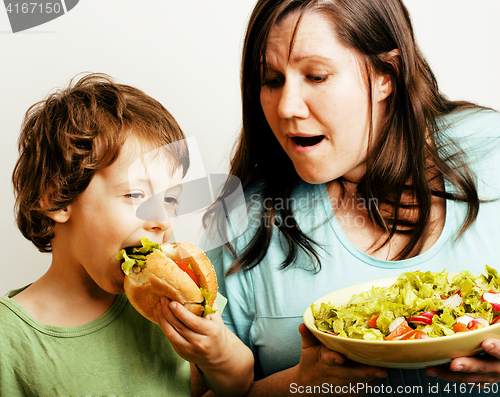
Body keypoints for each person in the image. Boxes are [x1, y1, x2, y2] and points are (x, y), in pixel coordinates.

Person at [204, 0, 500, 395]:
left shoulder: (492, 151)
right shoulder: (242, 222)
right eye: (272, 80)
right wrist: (299, 385)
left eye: (316, 76)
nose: (287, 107)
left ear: (386, 74)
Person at [0, 73, 253, 397]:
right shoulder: (10, 338)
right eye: (135, 196)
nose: (162, 220)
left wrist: (216, 353)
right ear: (56, 196)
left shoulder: (173, 298)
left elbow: (240, 382)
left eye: (170, 200)